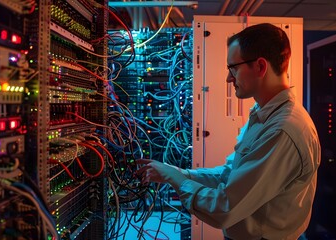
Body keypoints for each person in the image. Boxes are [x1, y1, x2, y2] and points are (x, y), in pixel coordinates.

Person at [136, 23, 321, 240]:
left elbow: (226, 207)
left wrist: (178, 180)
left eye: (233, 68)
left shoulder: (283, 130)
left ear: (260, 67)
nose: (228, 79)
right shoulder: (264, 114)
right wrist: (178, 173)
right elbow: (229, 175)